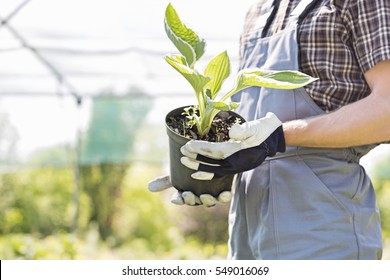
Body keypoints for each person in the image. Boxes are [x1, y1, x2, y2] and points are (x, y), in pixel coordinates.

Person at [149, 0, 390, 259]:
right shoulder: (257, 12)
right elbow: (251, 133)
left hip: (322, 225)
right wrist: (208, 172)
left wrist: (278, 137)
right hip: (246, 233)